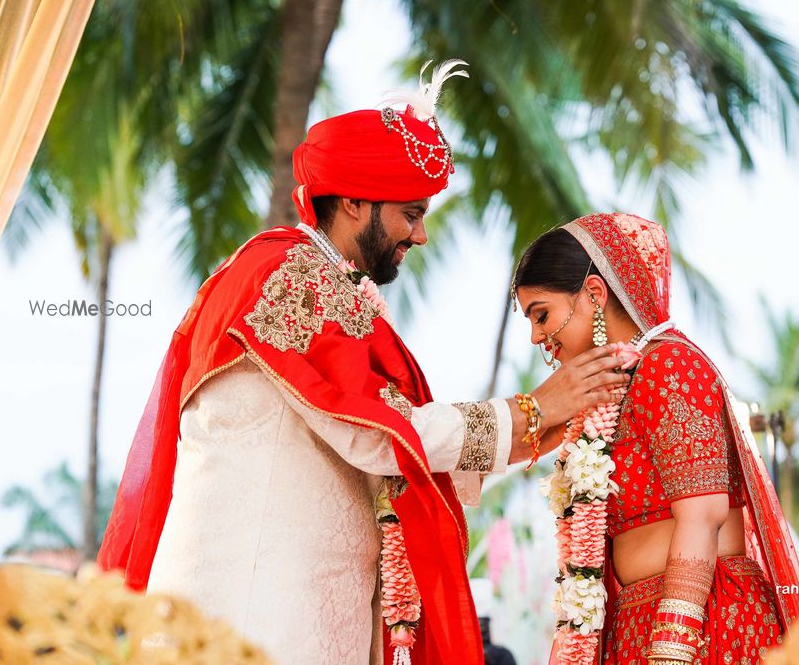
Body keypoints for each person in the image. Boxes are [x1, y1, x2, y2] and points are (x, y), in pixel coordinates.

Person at [96, 63, 628, 665]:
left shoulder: (332, 286)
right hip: (250, 613)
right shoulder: (288, 276)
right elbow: (379, 432)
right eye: (411, 213)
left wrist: (541, 422)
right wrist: (533, 411)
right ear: (353, 202)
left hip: (292, 615)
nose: (421, 235)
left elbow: (397, 446)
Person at [512, 213, 799, 664]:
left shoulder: (669, 364)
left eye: (542, 315)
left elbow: (704, 515)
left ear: (594, 293)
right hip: (638, 622)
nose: (537, 337)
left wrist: (672, 646)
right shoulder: (611, 392)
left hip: (704, 622)